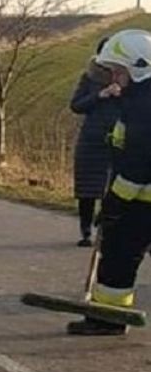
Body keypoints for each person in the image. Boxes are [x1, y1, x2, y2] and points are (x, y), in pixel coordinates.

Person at [66, 28, 151, 336]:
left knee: (119, 256)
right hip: (137, 200)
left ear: (137, 69)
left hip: (140, 201)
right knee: (116, 257)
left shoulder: (144, 107)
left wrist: (115, 203)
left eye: (118, 71)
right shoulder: (135, 100)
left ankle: (108, 319)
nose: (114, 77)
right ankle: (108, 317)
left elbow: (139, 165)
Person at [69, 38, 121, 246]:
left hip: (118, 140)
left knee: (114, 190)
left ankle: (107, 231)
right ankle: (85, 231)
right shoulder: (90, 77)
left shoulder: (129, 80)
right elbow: (76, 105)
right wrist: (101, 95)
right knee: (87, 190)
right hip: (91, 141)